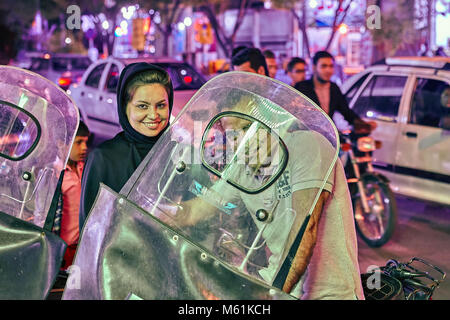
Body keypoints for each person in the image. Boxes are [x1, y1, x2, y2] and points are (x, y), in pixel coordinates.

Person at [172, 93, 365, 300]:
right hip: (277, 286)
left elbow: (304, 230)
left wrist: (272, 294)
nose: (243, 140)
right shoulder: (241, 167)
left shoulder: (307, 145)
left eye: (248, 127)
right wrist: (147, 218)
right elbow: (196, 210)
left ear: (269, 121)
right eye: (233, 134)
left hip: (330, 293)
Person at [79, 63, 173, 231]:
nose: (153, 115)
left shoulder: (180, 155)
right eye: (142, 106)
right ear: (125, 107)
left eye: (161, 105)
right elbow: (90, 232)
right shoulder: (103, 159)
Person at [295, 51, 368, 130]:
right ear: (314, 68)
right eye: (324, 66)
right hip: (306, 134)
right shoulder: (302, 87)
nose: (328, 70)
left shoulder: (334, 88)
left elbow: (346, 111)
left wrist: (361, 123)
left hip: (328, 134)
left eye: (331, 66)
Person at [55, 121, 90, 269]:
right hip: (62, 248)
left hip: (82, 246)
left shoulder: (85, 168)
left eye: (86, 142)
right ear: (61, 143)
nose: (84, 148)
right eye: (79, 142)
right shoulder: (55, 174)